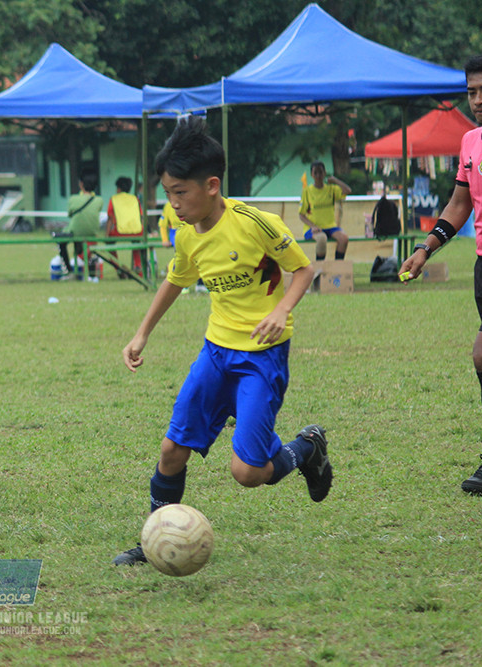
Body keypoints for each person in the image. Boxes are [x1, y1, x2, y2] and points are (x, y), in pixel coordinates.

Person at [113, 118, 332, 567]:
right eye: (168, 193)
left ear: (211, 185)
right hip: (215, 354)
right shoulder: (187, 234)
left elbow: (304, 269)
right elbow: (175, 280)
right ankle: (155, 536)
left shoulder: (256, 223)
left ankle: (306, 448)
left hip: (262, 359)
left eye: (180, 193)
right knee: (172, 449)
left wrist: (279, 310)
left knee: (248, 472)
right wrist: (142, 333)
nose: (173, 204)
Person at [399, 51, 482, 496]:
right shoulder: (471, 143)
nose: (478, 100)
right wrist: (425, 248)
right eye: (472, 92)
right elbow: (460, 205)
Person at [298, 161, 351, 261]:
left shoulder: (331, 189)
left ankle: (337, 268)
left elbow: (348, 191)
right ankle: (319, 270)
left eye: (321, 172)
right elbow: (301, 215)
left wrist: (335, 180)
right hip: (313, 229)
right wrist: (312, 226)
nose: (318, 175)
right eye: (315, 173)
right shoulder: (307, 191)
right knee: (322, 239)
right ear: (311, 175)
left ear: (324, 173)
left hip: (330, 226)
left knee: (343, 239)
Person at [57, 171, 103, 280]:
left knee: (62, 243)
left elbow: (70, 214)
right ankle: (90, 270)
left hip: (75, 232)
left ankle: (68, 270)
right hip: (92, 232)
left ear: (81, 184)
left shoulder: (73, 199)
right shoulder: (99, 200)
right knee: (87, 247)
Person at [106, 176, 145, 276]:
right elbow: (141, 217)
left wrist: (106, 235)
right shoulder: (135, 199)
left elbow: (110, 218)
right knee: (137, 243)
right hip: (137, 231)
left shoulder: (113, 199)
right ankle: (138, 266)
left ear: (118, 188)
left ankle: (118, 267)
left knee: (110, 243)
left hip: (119, 232)